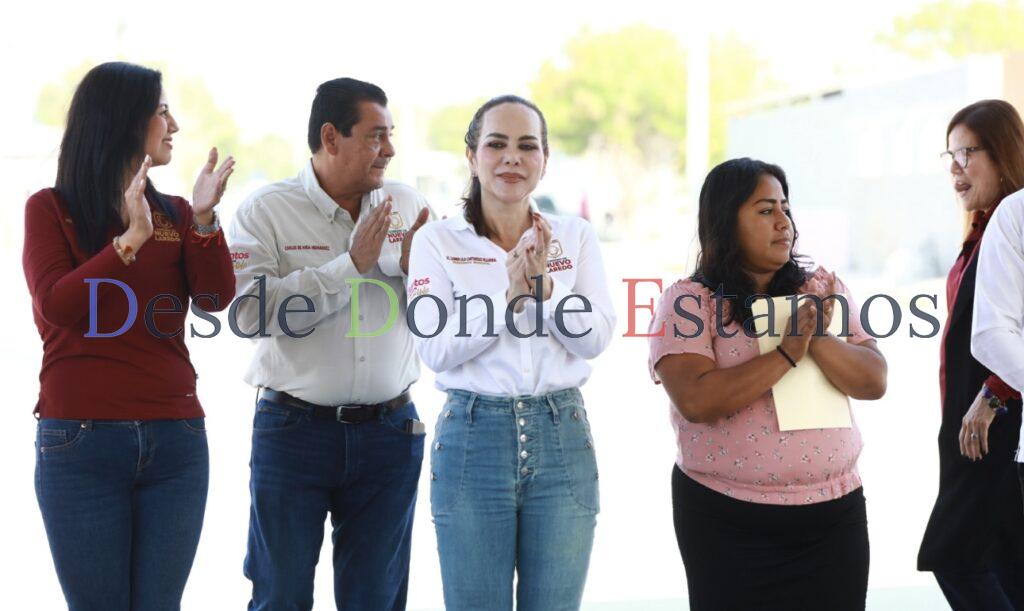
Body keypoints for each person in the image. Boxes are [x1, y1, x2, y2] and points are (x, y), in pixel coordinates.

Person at [23, 61, 236, 610]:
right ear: (123, 120)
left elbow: (214, 299)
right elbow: (57, 306)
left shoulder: (177, 213)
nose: (175, 124)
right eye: (162, 110)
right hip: (80, 442)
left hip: (176, 444)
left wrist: (207, 220)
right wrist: (128, 242)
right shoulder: (51, 209)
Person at [227, 77, 433, 611]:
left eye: (390, 136)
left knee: (376, 601)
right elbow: (248, 315)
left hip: (391, 435)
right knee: (280, 597)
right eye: (375, 136)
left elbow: (440, 321)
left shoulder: (408, 205)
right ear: (330, 136)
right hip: (293, 435)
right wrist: (350, 266)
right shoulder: (266, 210)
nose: (389, 150)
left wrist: (421, 276)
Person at [648, 157, 887, 611]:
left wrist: (815, 334)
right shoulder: (689, 301)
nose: (784, 222)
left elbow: (874, 380)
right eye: (764, 210)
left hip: (834, 516)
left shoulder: (821, 288)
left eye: (785, 208)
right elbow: (696, 400)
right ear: (725, 221)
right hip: (728, 521)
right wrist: (785, 352)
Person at [407, 95, 616, 611]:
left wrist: (544, 289)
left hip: (560, 431)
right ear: (472, 156)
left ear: (545, 159)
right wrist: (510, 298)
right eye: (496, 144)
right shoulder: (436, 241)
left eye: (527, 146)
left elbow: (595, 337)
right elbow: (434, 348)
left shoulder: (575, 236)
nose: (511, 158)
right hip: (474, 437)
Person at [940, 100, 1024, 610]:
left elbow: (1005, 331)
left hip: (997, 422)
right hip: (968, 423)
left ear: (1003, 152)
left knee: (958, 556)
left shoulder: (1011, 221)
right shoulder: (982, 229)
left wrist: (994, 392)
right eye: (948, 156)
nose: (954, 167)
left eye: (966, 152)